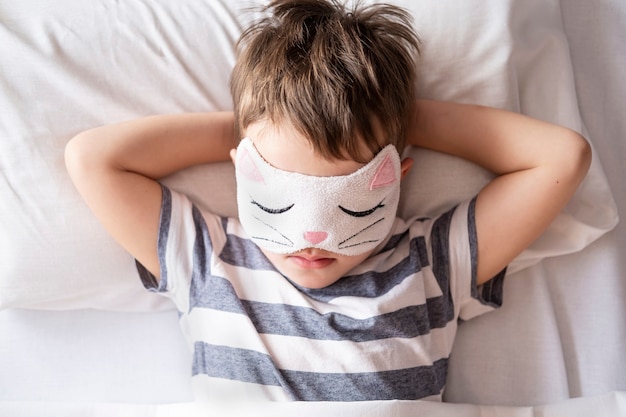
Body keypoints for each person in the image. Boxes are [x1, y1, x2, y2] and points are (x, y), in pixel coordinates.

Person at [65, 0, 591, 402]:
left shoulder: (432, 265)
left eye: (350, 202)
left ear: (396, 177)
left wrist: (401, 118)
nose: (311, 235)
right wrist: (257, 121)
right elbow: (92, 159)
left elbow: (562, 158)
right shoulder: (207, 260)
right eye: (282, 198)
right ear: (241, 169)